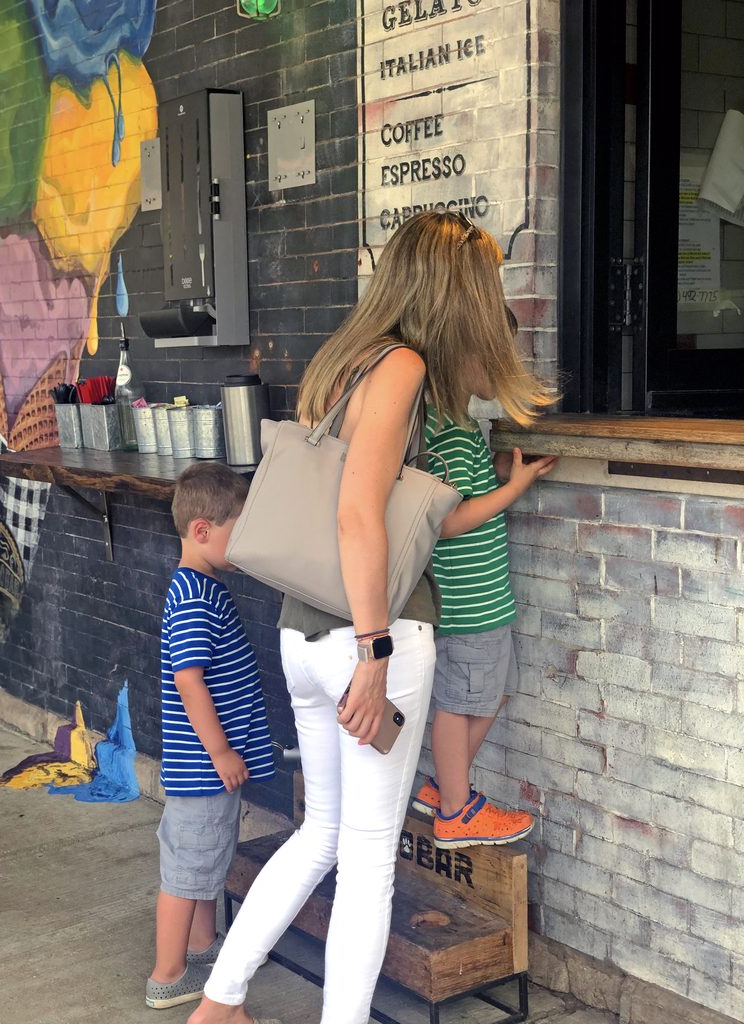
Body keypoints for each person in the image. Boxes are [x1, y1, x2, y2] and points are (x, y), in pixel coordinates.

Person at [189, 210, 556, 1024]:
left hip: (302, 630)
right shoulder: (402, 370)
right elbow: (359, 514)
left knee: (321, 833)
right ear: (456, 291)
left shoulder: (346, 358)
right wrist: (376, 647)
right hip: (370, 636)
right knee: (365, 862)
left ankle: (220, 1001)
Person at [413, 304, 557, 848]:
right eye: (498, 353)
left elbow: (467, 488)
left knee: (487, 694)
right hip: (466, 602)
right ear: (462, 356)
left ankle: (441, 790)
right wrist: (513, 492)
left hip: (484, 599)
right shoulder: (442, 431)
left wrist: (506, 473)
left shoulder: (461, 423)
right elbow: (446, 520)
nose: (507, 365)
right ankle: (456, 809)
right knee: (460, 702)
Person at [146, 463, 275, 1010]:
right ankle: (168, 974)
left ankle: (201, 951)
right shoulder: (195, 596)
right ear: (202, 531)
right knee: (186, 871)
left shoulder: (201, 586)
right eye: (235, 533)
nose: (241, 545)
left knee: (204, 866)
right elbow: (189, 678)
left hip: (206, 770)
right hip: (203, 768)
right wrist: (220, 749)